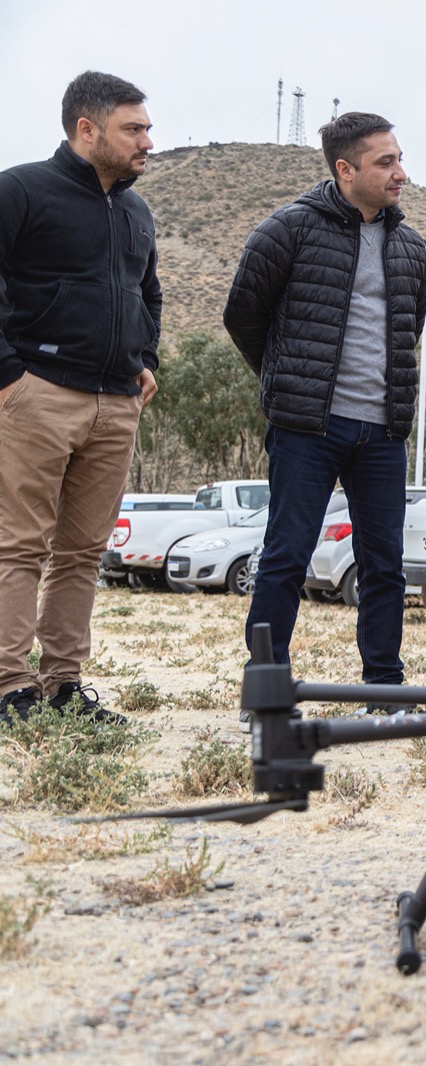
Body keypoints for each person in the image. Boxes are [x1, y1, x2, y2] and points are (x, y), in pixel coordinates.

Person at [224, 112, 426, 710]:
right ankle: (266, 688)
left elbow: (408, 330)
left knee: (384, 563)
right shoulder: (287, 229)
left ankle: (385, 689)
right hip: (306, 427)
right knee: (286, 556)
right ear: (346, 169)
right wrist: (289, 380)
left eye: (399, 159)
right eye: (385, 162)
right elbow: (243, 315)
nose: (400, 173)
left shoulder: (412, 248)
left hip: (383, 432)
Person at [0, 71, 160, 726]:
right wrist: (9, 375)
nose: (147, 141)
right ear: (86, 129)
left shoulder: (137, 211)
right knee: (19, 546)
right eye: (133, 129)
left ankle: (62, 687)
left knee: (82, 553)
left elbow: (148, 293)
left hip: (116, 402)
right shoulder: (20, 190)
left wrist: (146, 361)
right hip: (37, 393)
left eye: (147, 128)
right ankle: (10, 690)